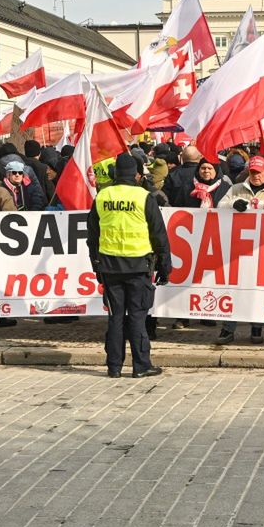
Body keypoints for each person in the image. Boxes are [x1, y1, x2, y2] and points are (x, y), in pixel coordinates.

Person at [87, 153, 170, 377]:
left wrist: (96, 266)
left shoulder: (102, 197)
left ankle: (114, 367)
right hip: (138, 266)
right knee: (137, 316)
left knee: (115, 317)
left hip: (110, 267)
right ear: (136, 174)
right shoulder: (144, 197)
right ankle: (141, 365)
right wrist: (165, 267)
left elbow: (92, 236)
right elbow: (159, 235)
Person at [216, 156, 264, 344]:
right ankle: (228, 329)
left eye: (259, 172)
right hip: (239, 248)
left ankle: (256, 328)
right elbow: (219, 207)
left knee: (259, 289)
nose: (256, 176)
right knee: (234, 288)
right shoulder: (236, 189)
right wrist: (233, 204)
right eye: (253, 172)